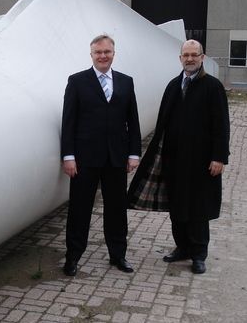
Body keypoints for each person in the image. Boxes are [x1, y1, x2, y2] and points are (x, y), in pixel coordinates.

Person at [129, 39, 229, 274]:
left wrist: (219, 157)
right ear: (180, 58)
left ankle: (198, 254)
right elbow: (162, 123)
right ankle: (182, 248)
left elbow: (221, 126)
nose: (190, 59)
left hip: (202, 162)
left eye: (195, 55)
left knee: (198, 209)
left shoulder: (212, 87)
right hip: (174, 160)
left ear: (202, 57)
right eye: (186, 55)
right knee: (177, 208)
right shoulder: (173, 86)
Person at [60, 34, 142, 276]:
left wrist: (134, 153)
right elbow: (69, 122)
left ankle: (118, 255)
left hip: (117, 158)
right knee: (79, 209)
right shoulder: (77, 81)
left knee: (117, 209)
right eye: (98, 52)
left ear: (113, 54)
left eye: (107, 52)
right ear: (92, 55)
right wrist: (68, 156)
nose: (103, 56)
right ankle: (73, 257)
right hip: (84, 160)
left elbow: (133, 121)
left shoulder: (126, 82)